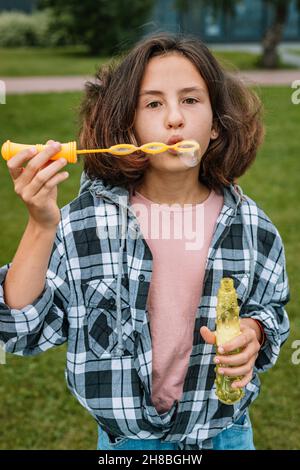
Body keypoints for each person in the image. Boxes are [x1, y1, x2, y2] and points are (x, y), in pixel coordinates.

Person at [0, 33, 290, 451]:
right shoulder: (85, 223)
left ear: (216, 125)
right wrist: (42, 224)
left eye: (191, 100)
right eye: (153, 103)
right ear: (129, 128)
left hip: (224, 435)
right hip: (126, 445)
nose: (174, 118)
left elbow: (271, 310)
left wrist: (255, 332)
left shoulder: (253, 227)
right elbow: (19, 330)